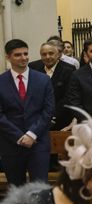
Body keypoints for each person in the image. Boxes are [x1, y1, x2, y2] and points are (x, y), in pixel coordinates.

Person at [0, 39, 55, 186]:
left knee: (40, 189)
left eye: (25, 54)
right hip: (11, 145)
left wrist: (31, 134)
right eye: (18, 55)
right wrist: (18, 136)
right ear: (8, 57)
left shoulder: (43, 80)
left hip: (38, 144)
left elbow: (48, 110)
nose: (24, 58)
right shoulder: (1, 82)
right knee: (16, 190)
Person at [29, 41, 75, 130]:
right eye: (44, 54)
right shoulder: (33, 67)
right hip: (38, 119)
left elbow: (68, 96)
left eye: (51, 53)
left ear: (58, 55)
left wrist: (52, 115)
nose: (48, 57)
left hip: (61, 119)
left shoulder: (69, 70)